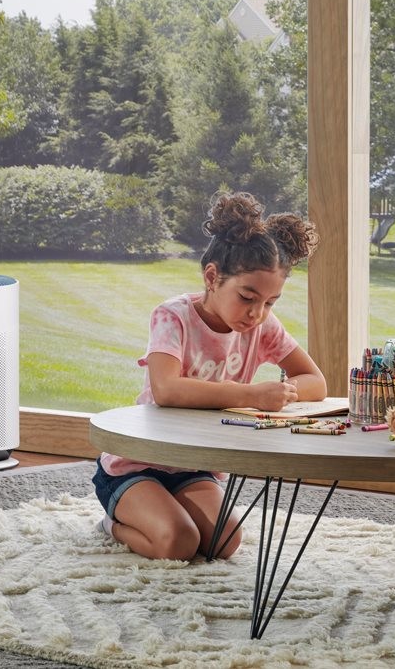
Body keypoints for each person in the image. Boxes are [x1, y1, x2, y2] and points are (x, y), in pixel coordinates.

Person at [93, 191, 328, 560]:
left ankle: (167, 511)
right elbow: (167, 389)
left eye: (270, 302)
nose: (257, 314)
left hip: (194, 467)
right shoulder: (174, 316)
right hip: (136, 463)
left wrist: (283, 392)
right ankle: (111, 524)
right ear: (212, 276)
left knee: (225, 543)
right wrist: (251, 395)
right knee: (178, 543)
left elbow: (314, 381)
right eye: (248, 297)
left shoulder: (261, 326)